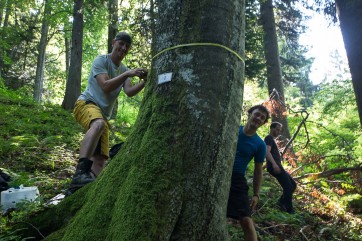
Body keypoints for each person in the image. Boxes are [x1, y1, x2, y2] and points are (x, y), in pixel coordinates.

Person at [69, 32, 148, 192]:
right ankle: (80, 172)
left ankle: (80, 190)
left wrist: (145, 81)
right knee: (98, 124)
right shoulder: (101, 61)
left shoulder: (124, 69)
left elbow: (130, 91)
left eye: (127, 46)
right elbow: (105, 85)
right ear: (113, 43)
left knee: (101, 160)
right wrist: (127, 73)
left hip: (103, 116)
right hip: (86, 103)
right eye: (121, 44)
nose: (124, 48)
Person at [227, 104, 270, 241]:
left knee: (246, 220)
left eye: (262, 118)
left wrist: (256, 194)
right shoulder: (233, 130)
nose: (258, 118)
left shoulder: (259, 144)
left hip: (237, 179)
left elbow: (258, 171)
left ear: (263, 123)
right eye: (257, 114)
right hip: (219, 173)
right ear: (250, 114)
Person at [264, 122, 297, 214]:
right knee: (288, 186)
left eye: (280, 130)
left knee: (293, 185)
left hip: (278, 166)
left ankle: (281, 202)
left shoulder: (271, 139)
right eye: (277, 129)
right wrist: (274, 164)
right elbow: (267, 152)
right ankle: (289, 209)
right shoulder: (269, 138)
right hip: (275, 166)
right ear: (272, 128)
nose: (279, 132)